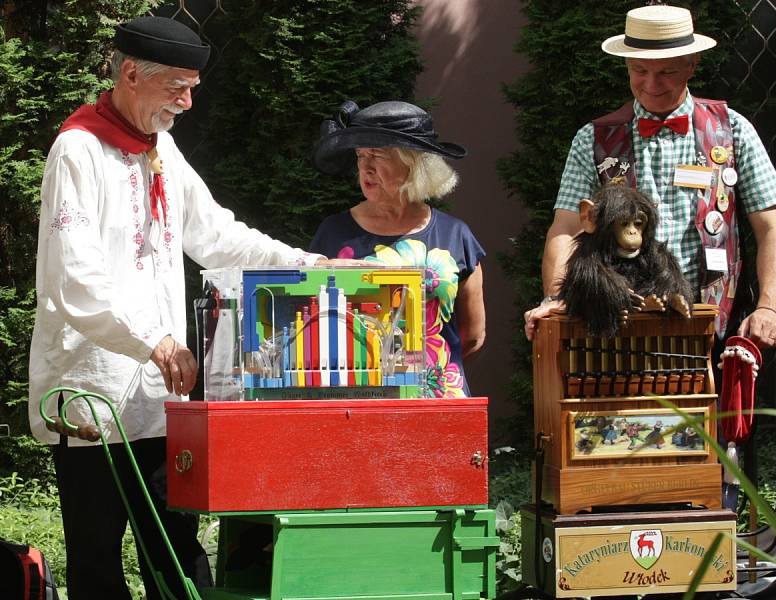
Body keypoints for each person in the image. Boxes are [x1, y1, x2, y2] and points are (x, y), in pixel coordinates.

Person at [27, 16, 344, 600]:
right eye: (178, 86)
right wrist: (155, 339)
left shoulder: (162, 149)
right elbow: (73, 276)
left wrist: (310, 265)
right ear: (130, 74)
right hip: (93, 396)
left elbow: (218, 236)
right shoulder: (76, 149)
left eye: (193, 86)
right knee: (97, 559)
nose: (188, 101)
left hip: (159, 394)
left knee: (176, 548)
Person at [523, 4, 776, 353]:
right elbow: (565, 229)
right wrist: (557, 297)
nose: (651, 84)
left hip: (711, 329)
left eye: (666, 71)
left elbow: (771, 228)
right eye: (639, 70)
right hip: (617, 333)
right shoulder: (593, 138)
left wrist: (769, 307)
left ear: (691, 65)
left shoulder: (733, 130)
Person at [310, 100, 486, 397]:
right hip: (356, 403)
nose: (365, 167)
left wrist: (428, 372)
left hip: (440, 400)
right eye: (360, 155)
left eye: (377, 155)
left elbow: (473, 336)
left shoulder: (455, 235)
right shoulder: (332, 233)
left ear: (413, 162)